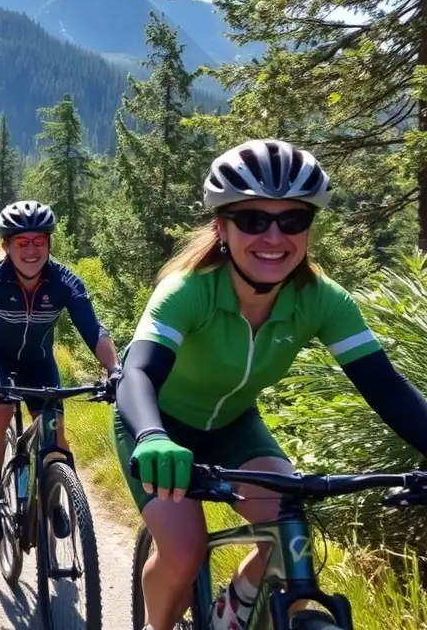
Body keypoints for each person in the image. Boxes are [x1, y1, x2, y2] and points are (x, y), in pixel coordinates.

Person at [115, 139, 427, 630]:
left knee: (290, 530)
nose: (274, 236)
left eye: (293, 220)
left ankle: (235, 604)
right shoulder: (188, 290)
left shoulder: (324, 301)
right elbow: (138, 374)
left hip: (235, 425)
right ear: (221, 226)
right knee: (184, 554)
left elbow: (386, 388)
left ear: (308, 229)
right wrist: (153, 437)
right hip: (157, 426)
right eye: (253, 220)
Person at [0, 200, 122, 544]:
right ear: (6, 246)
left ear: (50, 244)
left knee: (55, 432)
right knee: (0, 412)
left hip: (38, 362)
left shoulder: (64, 280)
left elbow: (93, 329)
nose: (32, 250)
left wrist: (114, 370)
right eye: (22, 242)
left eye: (39, 241)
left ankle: (54, 491)